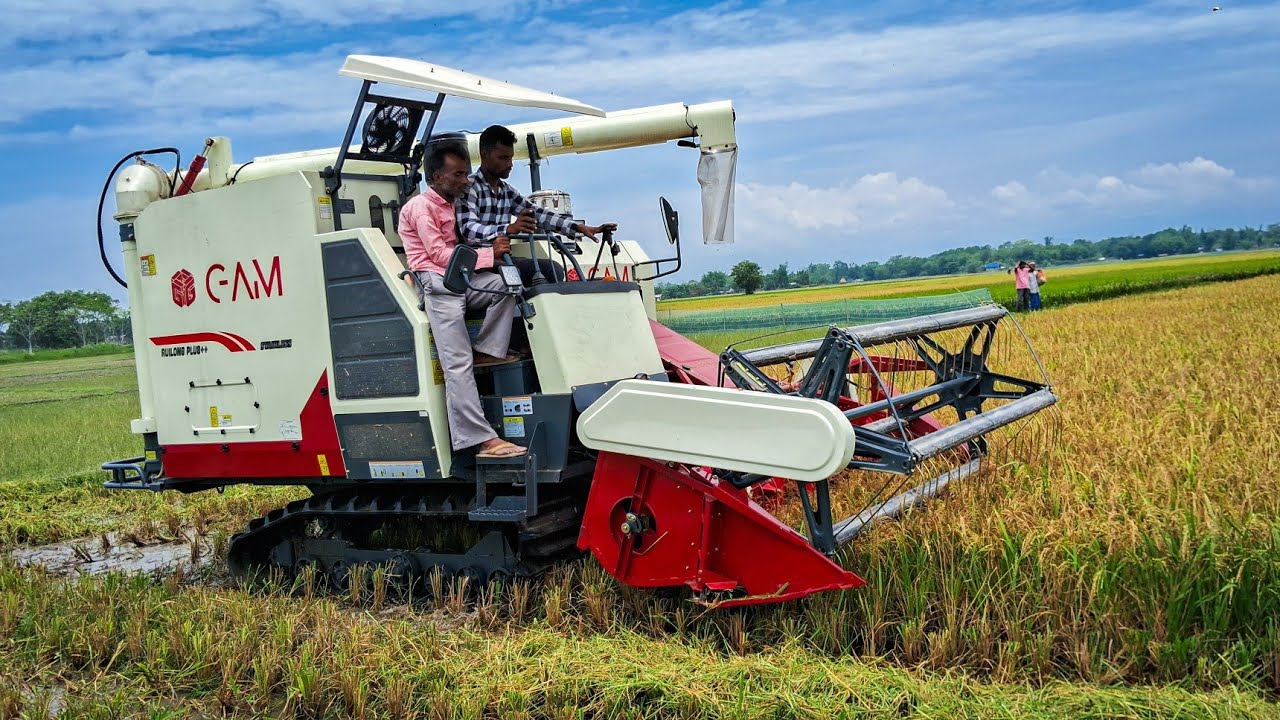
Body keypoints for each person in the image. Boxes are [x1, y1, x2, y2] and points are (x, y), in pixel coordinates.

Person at [399, 140, 527, 459]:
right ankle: (482, 440)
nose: (465, 180)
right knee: (457, 364)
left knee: (506, 285)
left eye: (466, 174)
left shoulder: (451, 203)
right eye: (458, 174)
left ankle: (487, 350)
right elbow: (438, 255)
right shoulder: (420, 207)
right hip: (436, 281)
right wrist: (489, 254)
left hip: (460, 275)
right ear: (436, 177)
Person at [459, 125, 617, 284]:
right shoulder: (468, 187)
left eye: (511, 158)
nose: (510, 164)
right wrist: (508, 228)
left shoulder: (506, 191)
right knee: (523, 273)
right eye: (503, 158)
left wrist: (577, 227)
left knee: (552, 270)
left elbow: (538, 214)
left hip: (504, 258)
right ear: (484, 155)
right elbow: (468, 229)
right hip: (478, 262)